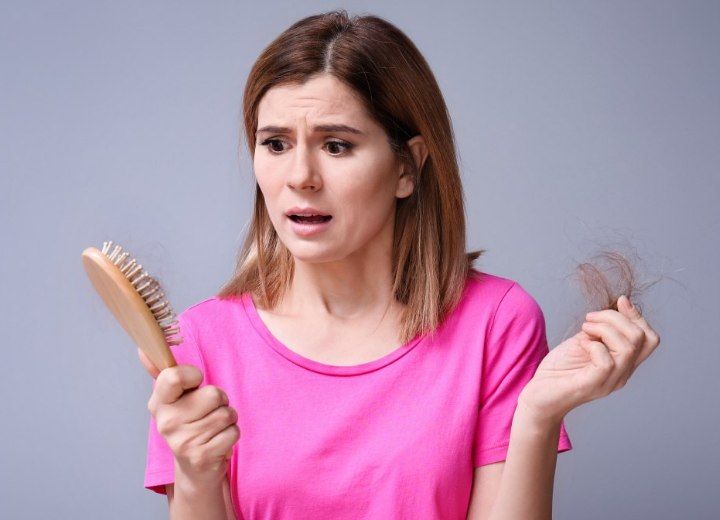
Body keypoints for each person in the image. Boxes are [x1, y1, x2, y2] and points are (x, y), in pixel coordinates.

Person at [140, 11, 660, 520]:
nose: (300, 175)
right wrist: (194, 475)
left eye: (336, 145)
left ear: (407, 168)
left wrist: (537, 418)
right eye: (275, 144)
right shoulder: (202, 340)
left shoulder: (496, 322)